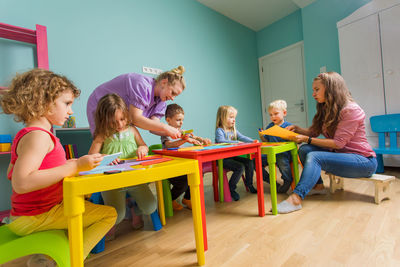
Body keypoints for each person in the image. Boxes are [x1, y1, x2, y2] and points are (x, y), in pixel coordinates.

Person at [0, 69, 117, 266]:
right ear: (44, 102)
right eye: (67, 104)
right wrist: (74, 167)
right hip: (37, 216)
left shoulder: (29, 134)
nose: (70, 111)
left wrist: (72, 163)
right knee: (108, 214)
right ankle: (71, 258)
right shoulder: (39, 136)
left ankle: (43, 258)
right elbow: (21, 182)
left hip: (28, 216)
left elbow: (11, 172)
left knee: (75, 209)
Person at [277, 72, 377, 214]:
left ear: (331, 89)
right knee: (305, 150)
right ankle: (318, 187)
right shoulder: (326, 108)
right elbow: (313, 132)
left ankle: (296, 199)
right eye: (313, 90)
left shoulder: (351, 110)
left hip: (363, 162)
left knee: (315, 156)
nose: (313, 94)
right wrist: (298, 129)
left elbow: (338, 143)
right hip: (341, 155)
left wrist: (306, 139)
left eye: (317, 89)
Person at [88, 94, 157, 232]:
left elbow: (144, 146)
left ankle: (133, 207)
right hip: (112, 182)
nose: (119, 125)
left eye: (122, 119)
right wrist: (104, 156)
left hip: (134, 179)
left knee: (150, 206)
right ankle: (123, 209)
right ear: (104, 120)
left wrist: (142, 149)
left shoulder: (132, 130)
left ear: (127, 115)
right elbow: (90, 157)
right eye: (113, 122)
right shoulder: (102, 134)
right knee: (117, 216)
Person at [87, 66, 186, 139]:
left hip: (120, 114)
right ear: (164, 82)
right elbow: (135, 118)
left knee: (122, 143)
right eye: (173, 92)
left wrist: (177, 133)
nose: (173, 98)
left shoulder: (161, 101)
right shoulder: (141, 85)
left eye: (175, 96)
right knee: (104, 141)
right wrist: (166, 127)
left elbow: (153, 127)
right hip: (99, 103)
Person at [161, 103, 211, 210]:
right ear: (168, 120)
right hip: (170, 168)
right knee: (184, 181)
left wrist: (202, 140)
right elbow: (168, 144)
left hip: (181, 164)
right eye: (178, 120)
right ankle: (170, 199)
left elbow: (194, 137)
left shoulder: (181, 131)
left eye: (182, 120)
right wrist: (184, 140)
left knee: (198, 172)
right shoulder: (165, 132)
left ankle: (187, 198)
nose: (181, 122)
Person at [215, 105, 257, 201]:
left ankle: (249, 184)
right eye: (231, 117)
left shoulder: (233, 130)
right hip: (222, 159)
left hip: (231, 157)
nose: (234, 120)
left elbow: (242, 137)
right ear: (222, 118)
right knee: (240, 167)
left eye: (234, 117)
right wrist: (237, 142)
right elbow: (221, 141)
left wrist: (252, 141)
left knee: (249, 162)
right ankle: (231, 188)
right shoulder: (220, 130)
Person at [259, 100, 294, 194]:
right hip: (271, 153)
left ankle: (287, 180)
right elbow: (266, 142)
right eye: (270, 115)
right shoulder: (269, 126)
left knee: (280, 158)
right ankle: (271, 181)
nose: (273, 117)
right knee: (255, 160)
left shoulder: (289, 126)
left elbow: (294, 141)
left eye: (276, 114)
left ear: (284, 113)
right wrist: (262, 136)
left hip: (284, 154)